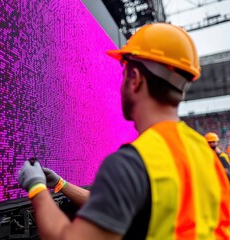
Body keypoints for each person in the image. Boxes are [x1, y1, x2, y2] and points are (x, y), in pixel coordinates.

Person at [18, 23, 230, 239]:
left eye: (124, 73)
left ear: (135, 79)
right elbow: (120, 205)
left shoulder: (132, 163)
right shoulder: (209, 159)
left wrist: (36, 188)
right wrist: (61, 184)